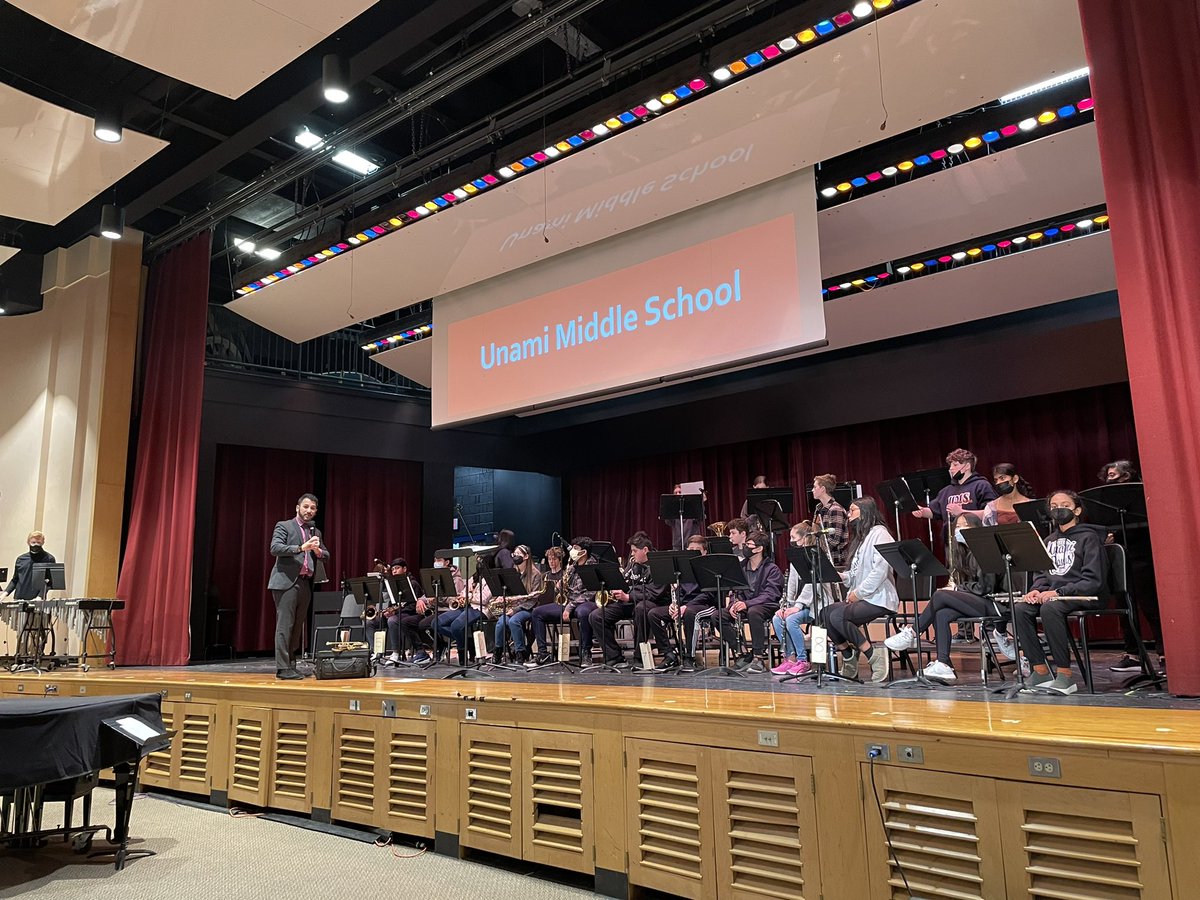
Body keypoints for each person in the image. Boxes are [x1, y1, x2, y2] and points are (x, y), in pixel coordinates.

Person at [884, 513, 1003, 682]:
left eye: (965, 525)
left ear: (977, 528)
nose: (960, 529)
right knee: (942, 614)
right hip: (978, 600)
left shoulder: (986, 550)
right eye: (958, 526)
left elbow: (986, 588)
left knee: (940, 595)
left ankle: (912, 632)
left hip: (995, 602)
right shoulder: (963, 552)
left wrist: (958, 588)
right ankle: (943, 663)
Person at [1011, 490, 1106, 695]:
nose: (1059, 509)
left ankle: (1065, 675)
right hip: (1055, 595)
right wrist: (1037, 590)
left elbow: (1092, 580)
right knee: (1020, 609)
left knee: (1050, 608)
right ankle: (1041, 671)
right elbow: (1043, 575)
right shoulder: (1048, 541)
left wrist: (1059, 591)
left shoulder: (1089, 537)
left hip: (1081, 594)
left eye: (1064, 504)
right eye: (1054, 506)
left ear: (1077, 510)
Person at [913, 449, 998, 642]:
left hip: (978, 542)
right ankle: (964, 631)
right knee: (958, 583)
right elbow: (934, 512)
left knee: (982, 583)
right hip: (953, 543)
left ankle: (991, 628)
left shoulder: (981, 485)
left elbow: (991, 513)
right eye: (950, 465)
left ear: (967, 466)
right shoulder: (946, 491)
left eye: (955, 464)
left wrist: (963, 511)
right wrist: (920, 511)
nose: (951, 469)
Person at [820, 497, 897, 683]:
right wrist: (843, 577)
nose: (848, 514)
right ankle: (848, 656)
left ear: (865, 512)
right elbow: (855, 573)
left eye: (852, 510)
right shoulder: (862, 539)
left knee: (838, 616)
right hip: (863, 597)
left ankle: (873, 655)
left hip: (880, 598)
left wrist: (858, 593)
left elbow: (880, 571)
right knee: (824, 614)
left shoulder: (881, 534)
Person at [1096, 460, 1164, 674]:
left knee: (1150, 605)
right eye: (1108, 474)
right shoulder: (1107, 500)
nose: (1110, 478)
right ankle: (1132, 654)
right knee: (1125, 604)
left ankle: (1164, 653)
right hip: (1120, 556)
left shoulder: (1140, 494)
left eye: (1114, 474)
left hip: (1142, 555)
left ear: (1127, 476)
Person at [268, 493, 329, 680]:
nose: (309, 511)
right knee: (285, 626)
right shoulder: (284, 526)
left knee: (296, 629)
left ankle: (291, 666)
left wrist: (317, 550)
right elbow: (275, 548)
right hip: (286, 582)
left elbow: (326, 555)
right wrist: (301, 548)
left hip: (304, 583)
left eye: (312, 508)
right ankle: (282, 667)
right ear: (297, 508)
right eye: (306, 507)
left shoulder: (315, 531)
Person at [594, 534, 666, 668]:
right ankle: (614, 656)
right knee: (597, 616)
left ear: (645, 550)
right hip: (629, 602)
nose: (632, 554)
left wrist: (629, 597)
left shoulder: (657, 564)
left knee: (641, 609)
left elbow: (654, 593)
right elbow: (624, 583)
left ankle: (639, 656)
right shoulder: (632, 564)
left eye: (634, 551)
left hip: (650, 603)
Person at [716, 530, 783, 673]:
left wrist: (747, 604)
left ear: (759, 549)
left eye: (749, 545)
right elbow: (735, 588)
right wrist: (734, 603)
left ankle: (758, 657)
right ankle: (743, 653)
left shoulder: (772, 569)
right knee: (718, 615)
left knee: (754, 612)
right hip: (745, 604)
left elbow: (770, 595)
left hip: (766, 606)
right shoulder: (741, 567)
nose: (746, 548)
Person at [770, 522, 830, 677]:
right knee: (777, 619)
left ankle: (803, 660)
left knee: (792, 620)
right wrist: (786, 606)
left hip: (816, 604)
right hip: (799, 605)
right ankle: (790, 659)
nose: (791, 540)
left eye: (793, 537)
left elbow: (813, 585)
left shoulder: (817, 555)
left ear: (804, 538)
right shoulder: (796, 557)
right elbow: (791, 586)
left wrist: (797, 606)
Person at [647, 534, 713, 663]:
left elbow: (708, 595)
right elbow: (680, 591)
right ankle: (668, 654)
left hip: (705, 605)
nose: (692, 552)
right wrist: (674, 604)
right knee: (654, 614)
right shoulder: (682, 568)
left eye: (697, 549)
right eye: (690, 549)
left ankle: (690, 656)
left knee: (690, 613)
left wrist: (686, 606)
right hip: (684, 605)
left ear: (704, 552)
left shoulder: (708, 568)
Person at [492, 545, 544, 664]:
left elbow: (533, 599)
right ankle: (498, 652)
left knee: (513, 621)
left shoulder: (535, 574)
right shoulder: (512, 573)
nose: (515, 557)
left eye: (518, 554)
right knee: (500, 623)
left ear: (526, 557)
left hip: (529, 608)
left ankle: (520, 653)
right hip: (514, 607)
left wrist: (515, 610)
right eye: (513, 554)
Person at [438, 568, 489, 664]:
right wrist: (461, 597)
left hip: (480, 608)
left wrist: (468, 597)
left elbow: (484, 599)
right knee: (437, 623)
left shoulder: (491, 578)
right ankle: (468, 642)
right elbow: (463, 592)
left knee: (456, 626)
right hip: (465, 606)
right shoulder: (473, 578)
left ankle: (462, 654)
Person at [382, 558, 427, 665]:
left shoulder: (413, 583)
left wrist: (395, 612)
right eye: (392, 569)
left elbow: (413, 606)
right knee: (372, 622)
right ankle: (376, 652)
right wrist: (389, 611)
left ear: (405, 569)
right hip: (400, 614)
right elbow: (393, 603)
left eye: (397, 568)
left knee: (393, 621)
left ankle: (396, 653)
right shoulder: (393, 585)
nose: (394, 571)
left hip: (413, 614)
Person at [811, 474, 850, 567]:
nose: (812, 490)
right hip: (823, 560)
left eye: (815, 487)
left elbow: (834, 541)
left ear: (822, 489)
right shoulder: (819, 508)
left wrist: (815, 550)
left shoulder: (835, 510)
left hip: (836, 561)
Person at [4, 531, 57, 600]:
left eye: (38, 543)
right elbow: (15, 580)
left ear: (43, 543)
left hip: (37, 600)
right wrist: (5, 593)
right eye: (33, 542)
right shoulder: (21, 559)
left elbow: (49, 581)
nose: (36, 545)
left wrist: (40, 596)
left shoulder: (49, 559)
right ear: (28, 542)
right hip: (18, 598)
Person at [667, 483, 706, 551]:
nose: (678, 494)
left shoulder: (692, 508)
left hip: (693, 544)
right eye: (675, 493)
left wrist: (700, 503)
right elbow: (668, 522)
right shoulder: (673, 510)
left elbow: (700, 518)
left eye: (680, 492)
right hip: (677, 545)